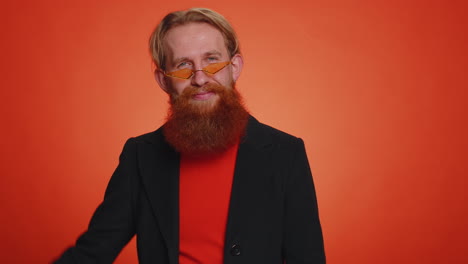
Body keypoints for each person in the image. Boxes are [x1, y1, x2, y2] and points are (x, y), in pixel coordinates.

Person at [54, 7, 325, 264]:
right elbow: (92, 253)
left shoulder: (285, 153)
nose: (199, 78)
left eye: (211, 60)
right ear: (163, 80)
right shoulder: (140, 156)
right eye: (183, 64)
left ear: (235, 67)